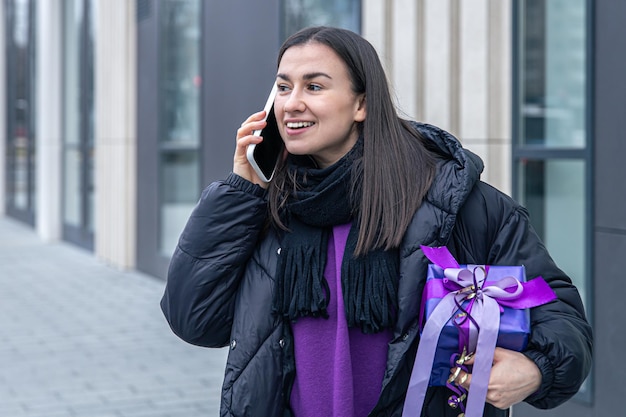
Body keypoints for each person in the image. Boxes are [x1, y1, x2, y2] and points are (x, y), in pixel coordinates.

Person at [160, 26, 592, 417]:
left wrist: (537, 369)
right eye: (283, 87)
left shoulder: (459, 203)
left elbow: (562, 317)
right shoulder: (268, 206)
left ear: (362, 103)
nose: (292, 104)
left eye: (314, 86)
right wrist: (240, 190)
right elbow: (194, 319)